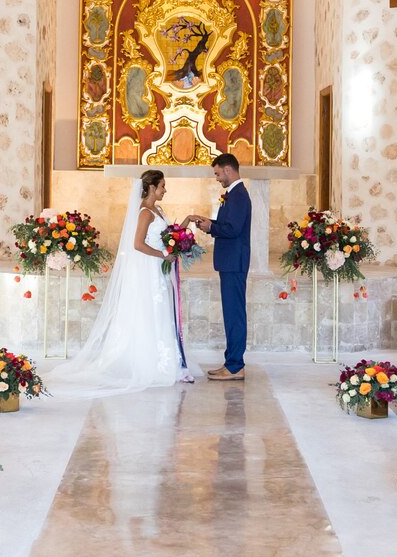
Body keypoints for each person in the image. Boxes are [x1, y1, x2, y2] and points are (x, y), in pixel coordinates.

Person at [43, 169, 201, 397]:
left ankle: (167, 360)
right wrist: (163, 255)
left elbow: (167, 234)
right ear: (152, 188)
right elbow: (137, 244)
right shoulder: (145, 213)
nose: (165, 190)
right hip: (150, 267)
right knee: (150, 312)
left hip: (158, 269)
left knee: (161, 312)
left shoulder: (158, 209)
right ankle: (151, 364)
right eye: (162, 186)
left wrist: (185, 223)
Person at [188, 153, 252, 381]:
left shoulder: (238, 195)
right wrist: (210, 223)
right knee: (231, 313)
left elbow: (233, 229)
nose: (216, 178)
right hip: (231, 261)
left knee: (234, 314)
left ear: (227, 170)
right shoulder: (233, 194)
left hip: (234, 262)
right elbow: (228, 225)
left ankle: (235, 366)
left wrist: (210, 228)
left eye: (217, 173)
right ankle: (231, 363)